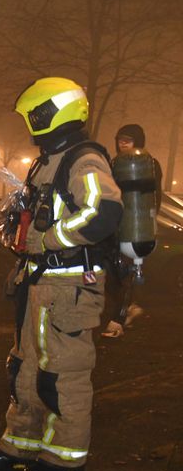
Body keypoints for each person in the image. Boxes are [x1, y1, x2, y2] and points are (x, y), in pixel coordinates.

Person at [0, 77, 123, 471]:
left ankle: (64, 462)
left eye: (34, 114)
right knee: (24, 367)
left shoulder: (83, 159)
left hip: (68, 287)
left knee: (63, 373)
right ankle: (21, 446)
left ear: (53, 113)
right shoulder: (48, 160)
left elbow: (103, 211)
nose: (30, 122)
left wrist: (48, 239)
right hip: (41, 283)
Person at [102, 123, 162, 338]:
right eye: (120, 139)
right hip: (116, 224)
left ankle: (118, 320)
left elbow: (155, 196)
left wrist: (147, 222)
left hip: (135, 228)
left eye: (128, 139)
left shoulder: (149, 164)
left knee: (126, 273)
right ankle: (129, 306)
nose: (123, 142)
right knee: (111, 273)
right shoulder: (115, 163)